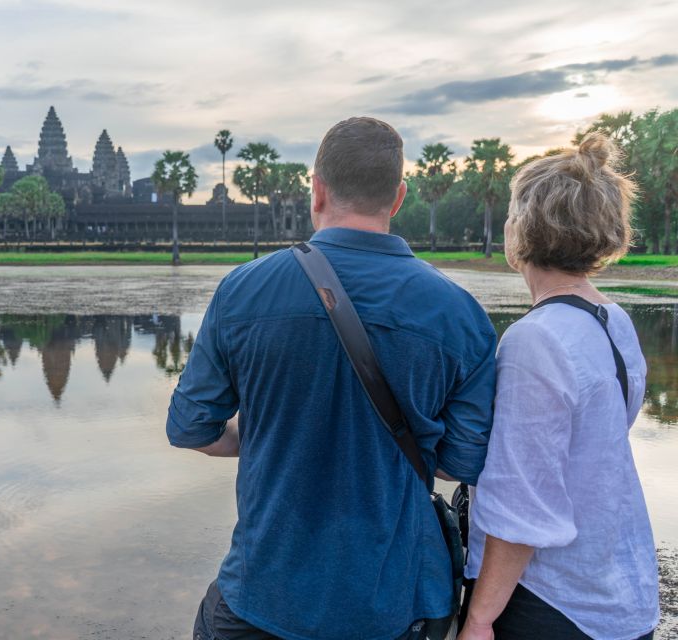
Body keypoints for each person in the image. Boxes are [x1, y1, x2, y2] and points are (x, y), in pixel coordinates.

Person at [166, 117, 498, 640]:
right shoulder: (461, 315)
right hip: (395, 607)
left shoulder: (244, 291)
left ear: (316, 188)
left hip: (263, 600)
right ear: (398, 197)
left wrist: (260, 438)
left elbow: (190, 427)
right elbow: (462, 462)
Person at [459, 134, 660, 640]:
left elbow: (522, 501)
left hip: (552, 601)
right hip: (614, 586)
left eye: (511, 213)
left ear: (524, 227)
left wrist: (480, 618)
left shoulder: (536, 340)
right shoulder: (613, 321)